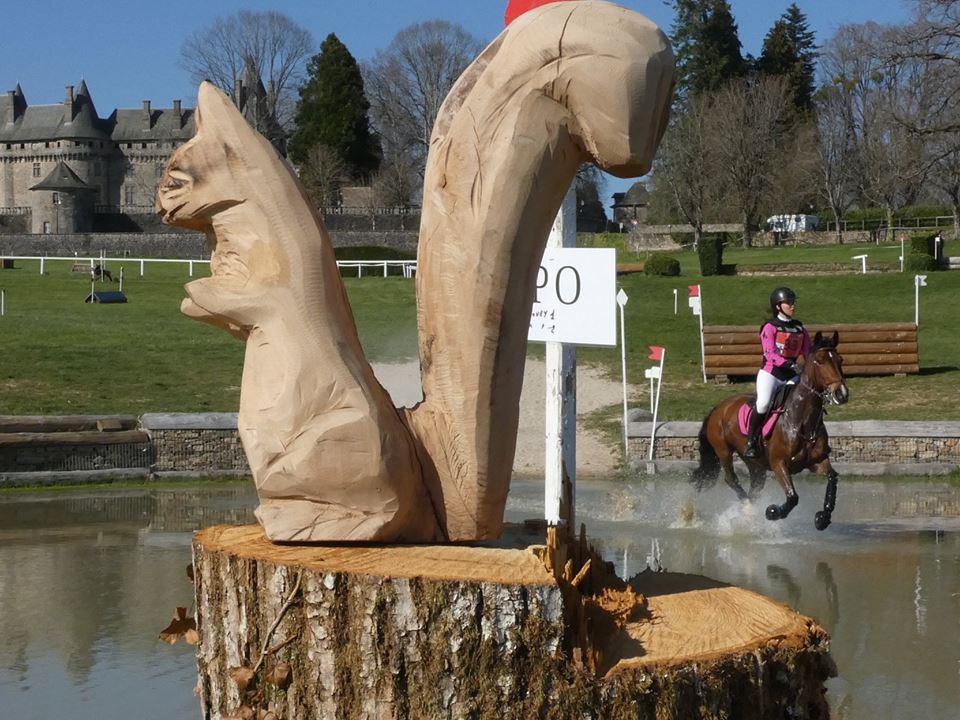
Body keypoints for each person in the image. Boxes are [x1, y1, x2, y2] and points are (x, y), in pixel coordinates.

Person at [743, 286, 811, 458]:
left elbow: (807, 352)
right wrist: (789, 364)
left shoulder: (799, 328)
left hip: (791, 374)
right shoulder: (769, 327)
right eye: (788, 303)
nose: (793, 306)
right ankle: (751, 441)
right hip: (771, 374)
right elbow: (769, 354)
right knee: (764, 403)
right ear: (778, 306)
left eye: (793, 302)